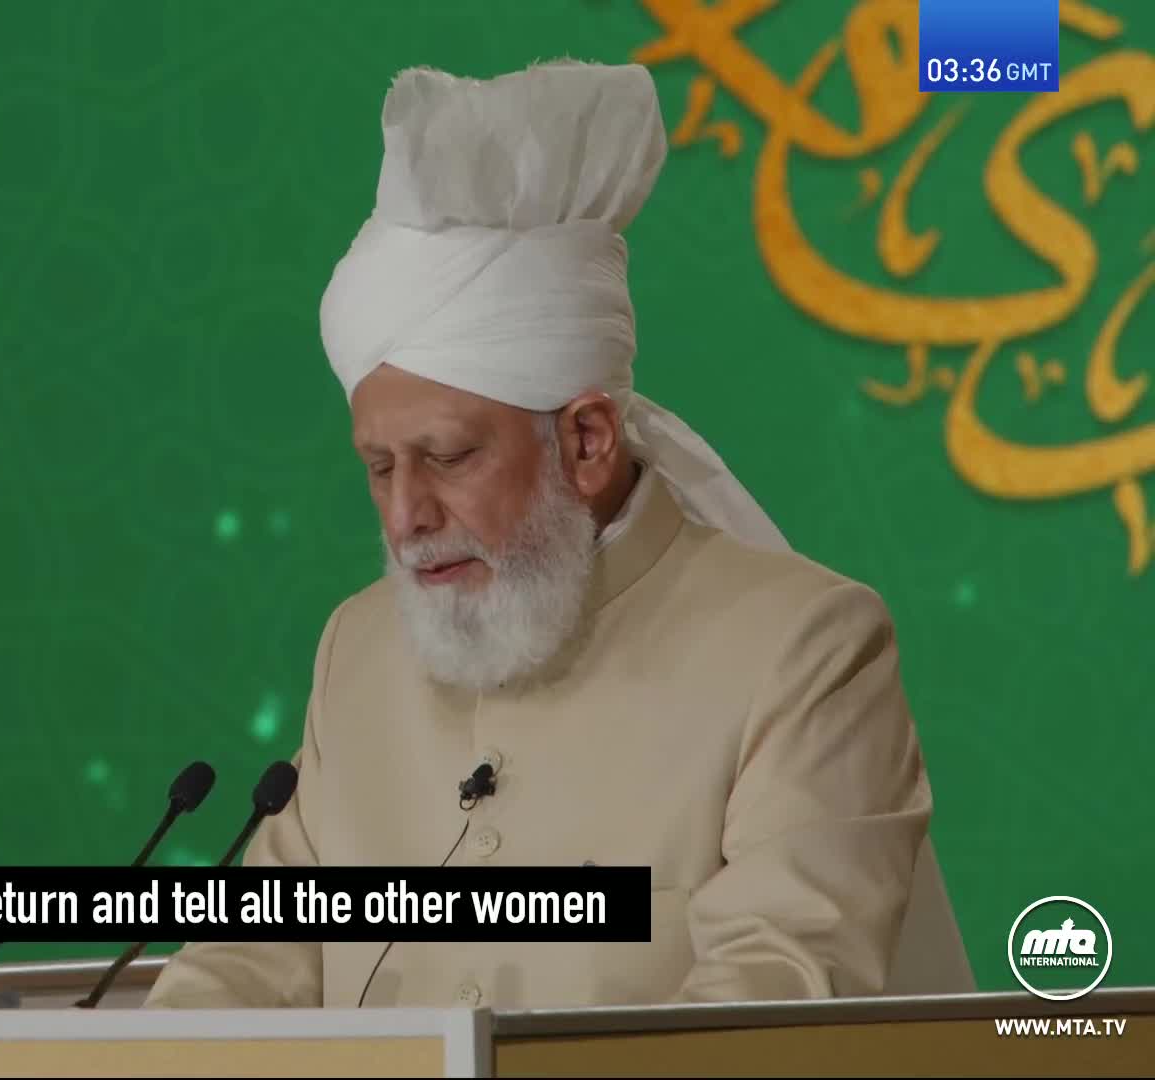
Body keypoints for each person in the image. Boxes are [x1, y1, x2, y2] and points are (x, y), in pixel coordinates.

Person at [142, 59, 971, 1011]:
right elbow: (249, 961)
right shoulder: (359, 650)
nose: (405, 514)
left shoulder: (804, 648)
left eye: (446, 457)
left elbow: (776, 996)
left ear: (584, 439)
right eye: (380, 467)